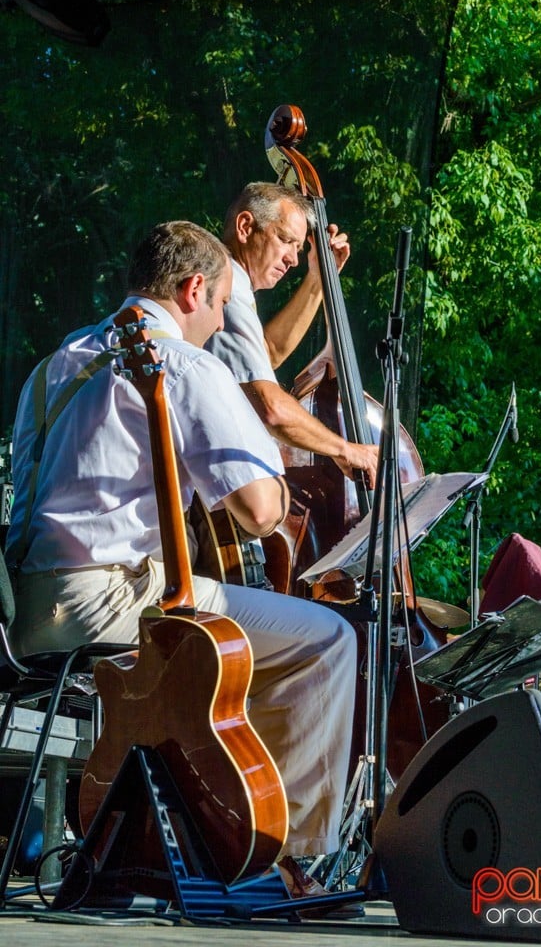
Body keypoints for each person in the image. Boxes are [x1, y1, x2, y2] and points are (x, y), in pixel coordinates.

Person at [5, 221, 359, 915]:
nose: (223, 318)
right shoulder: (184, 365)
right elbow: (260, 511)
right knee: (323, 641)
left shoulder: (57, 363)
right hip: (111, 602)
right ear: (194, 289)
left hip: (20, 616)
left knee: (228, 639)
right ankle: (288, 854)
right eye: (224, 303)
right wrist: (280, 477)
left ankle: (198, 830)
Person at [206, 181, 378, 487]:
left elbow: (267, 351)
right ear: (245, 226)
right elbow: (271, 407)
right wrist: (345, 450)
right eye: (285, 240)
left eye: (299, 248)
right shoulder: (227, 287)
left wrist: (317, 278)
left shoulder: (236, 289)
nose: (293, 259)